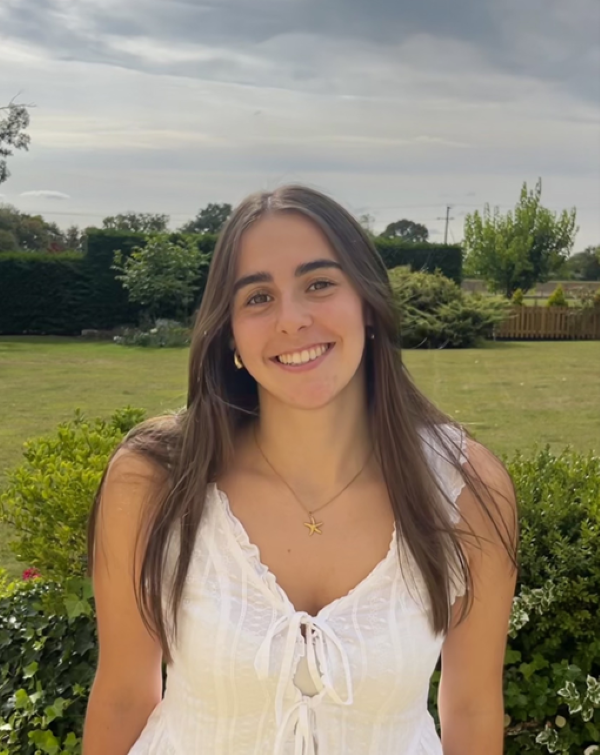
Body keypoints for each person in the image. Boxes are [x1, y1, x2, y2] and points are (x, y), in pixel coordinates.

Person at [83, 185, 519, 755]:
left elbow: (473, 707)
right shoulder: (155, 479)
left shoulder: (465, 490)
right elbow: (122, 697)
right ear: (230, 333)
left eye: (319, 284)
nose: (291, 320)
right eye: (258, 297)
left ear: (367, 304)